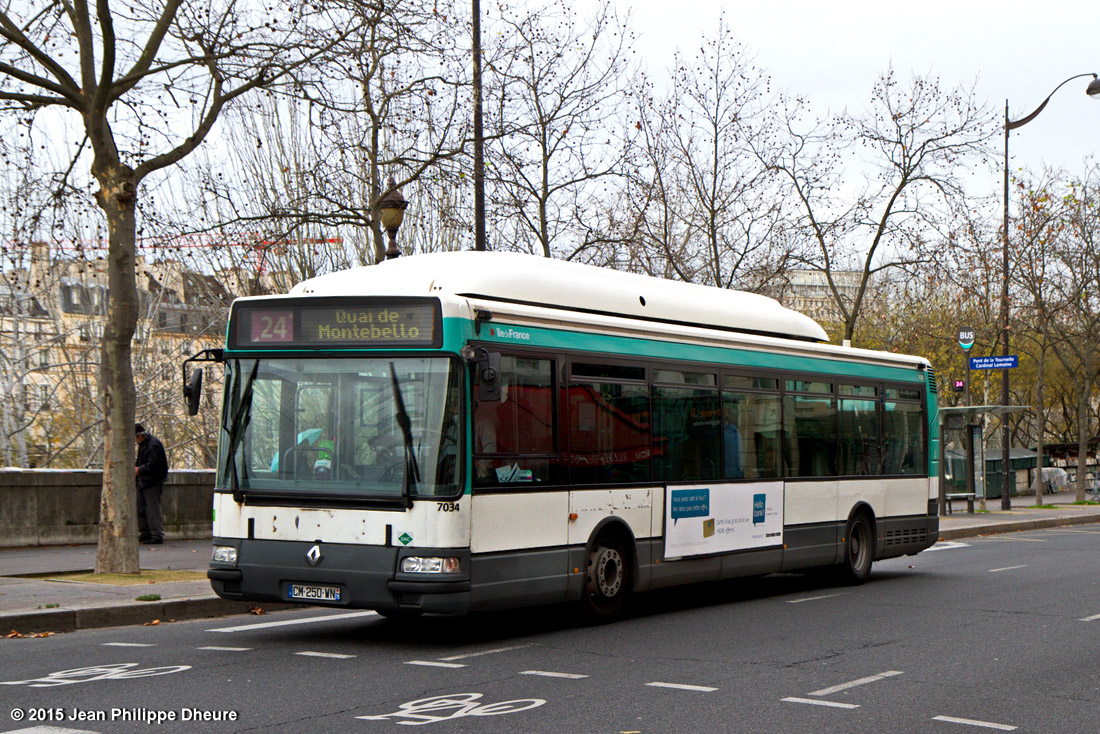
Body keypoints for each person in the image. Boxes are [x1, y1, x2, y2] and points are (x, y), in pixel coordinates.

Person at [135, 423, 169, 545]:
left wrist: (139, 470)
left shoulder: (152, 445)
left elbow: (154, 465)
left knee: (152, 509)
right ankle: (145, 532)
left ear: (139, 436)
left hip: (152, 481)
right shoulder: (146, 444)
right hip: (144, 481)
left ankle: (156, 534)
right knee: (141, 508)